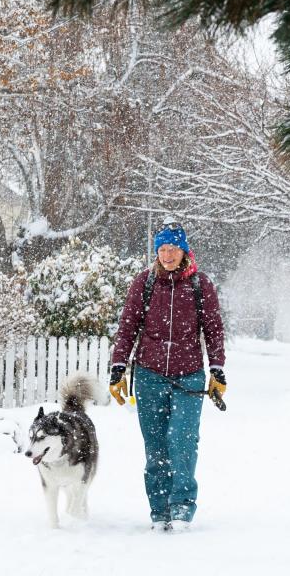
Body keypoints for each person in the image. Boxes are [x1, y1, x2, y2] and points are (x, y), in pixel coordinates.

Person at [109, 220, 226, 533]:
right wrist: (118, 367)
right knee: (156, 445)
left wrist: (217, 369)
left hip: (189, 376)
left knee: (183, 439)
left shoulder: (200, 284)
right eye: (162, 249)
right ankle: (160, 509)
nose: (167, 254)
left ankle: (182, 506)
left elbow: (213, 330)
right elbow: (128, 327)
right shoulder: (145, 283)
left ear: (184, 250)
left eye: (172, 248)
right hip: (149, 376)